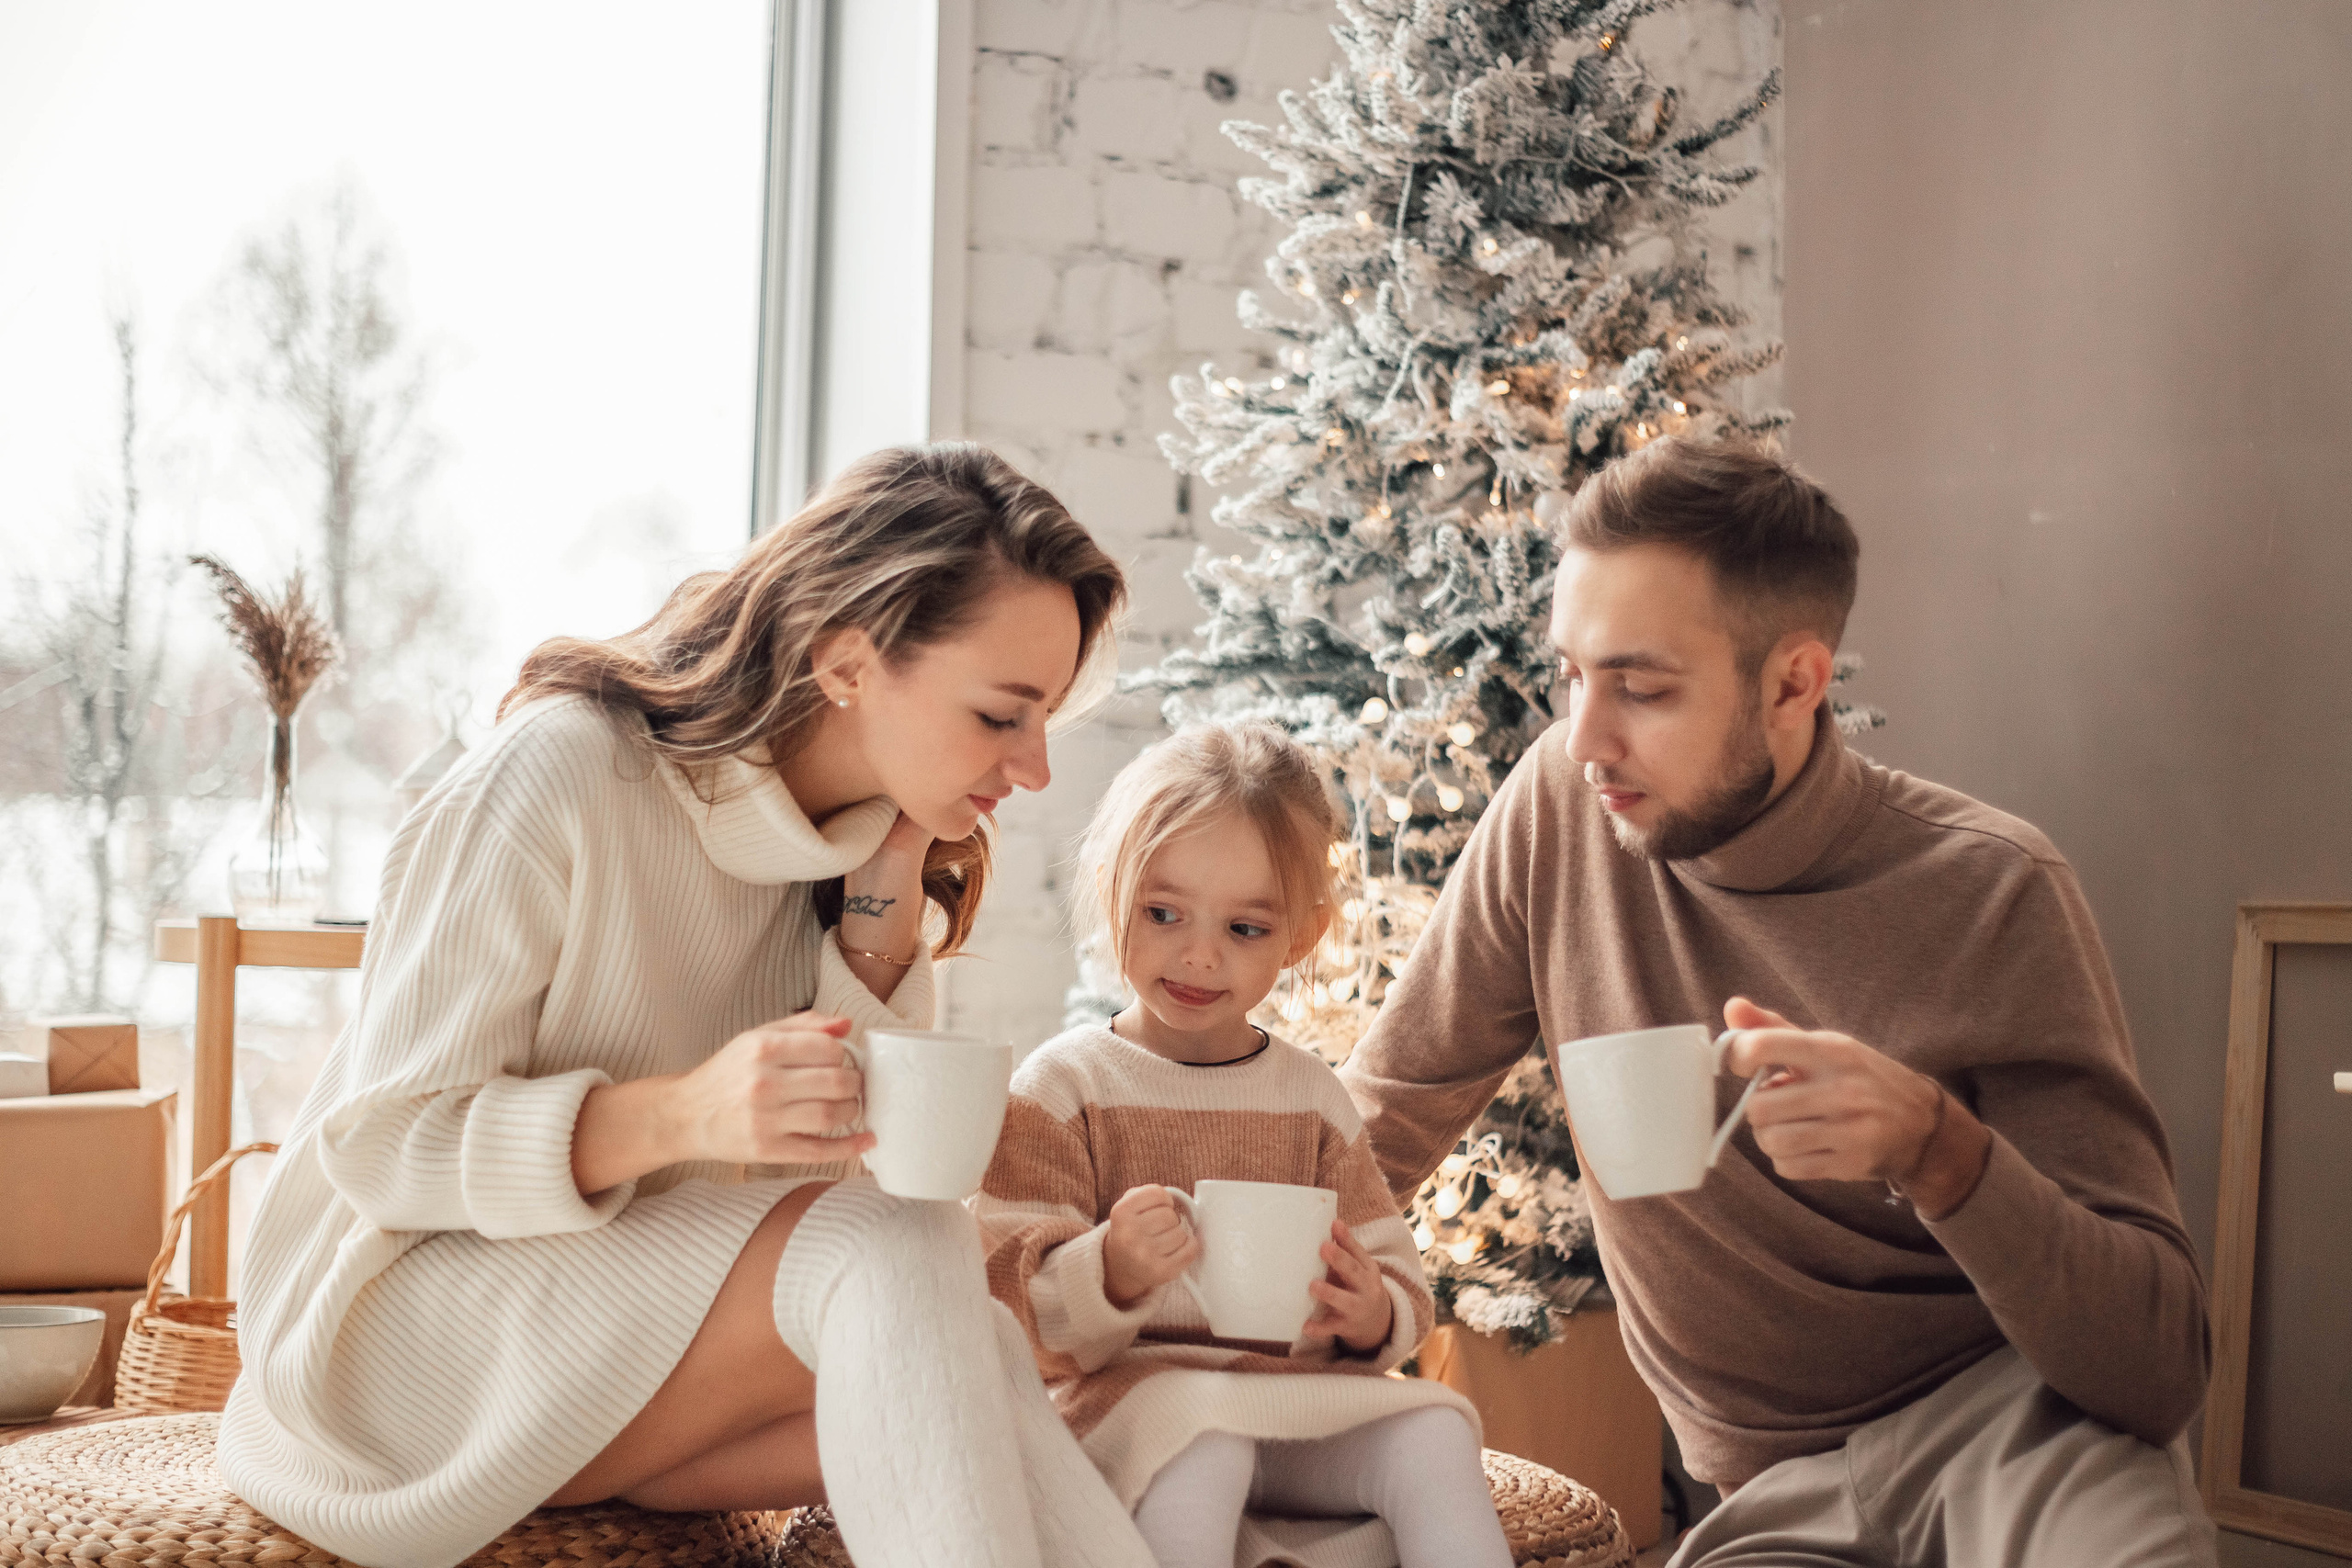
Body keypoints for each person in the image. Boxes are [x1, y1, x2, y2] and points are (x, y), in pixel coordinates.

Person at [220, 445, 1157, 1568]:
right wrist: (681, 1118)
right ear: (849, 663)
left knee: (980, 1345)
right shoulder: (563, 773)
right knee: (904, 1255)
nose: (1036, 767)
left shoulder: (866, 854)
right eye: (1004, 714)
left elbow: (812, 1223)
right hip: (392, 1339)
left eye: (1044, 717)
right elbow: (378, 1146)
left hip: (609, 1341)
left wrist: (873, 939)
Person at [1338, 436, 2217, 1567]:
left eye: (1641, 687)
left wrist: (1938, 1149)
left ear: (1795, 682)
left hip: (2022, 1438)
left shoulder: (1992, 889)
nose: (1586, 735)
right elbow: (1382, 1116)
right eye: (1571, 673)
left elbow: (2156, 1370)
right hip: (1772, 1495)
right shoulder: (1559, 812)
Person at [973, 723, 1509, 1568]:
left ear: (1298, 936)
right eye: (1162, 912)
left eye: (1245, 929)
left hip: (1295, 1408)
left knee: (1437, 1430)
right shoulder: (1061, 1088)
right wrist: (1106, 1268)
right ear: (1113, 892)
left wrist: (1372, 1313)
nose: (1198, 953)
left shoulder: (1310, 1097)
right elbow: (1003, 1312)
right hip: (1134, 1415)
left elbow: (1397, 1276)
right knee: (1209, 1446)